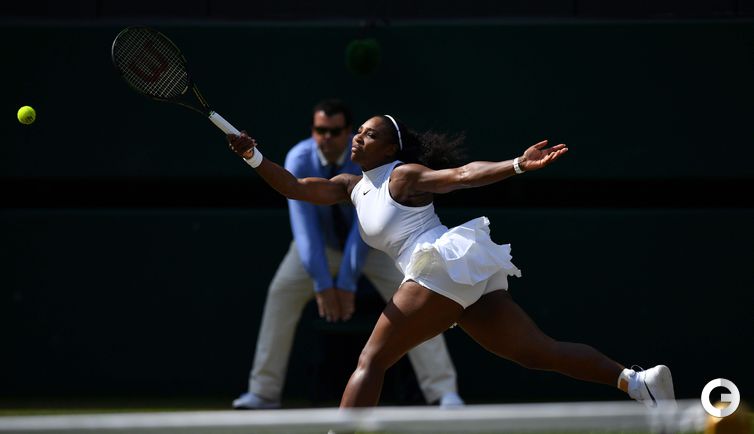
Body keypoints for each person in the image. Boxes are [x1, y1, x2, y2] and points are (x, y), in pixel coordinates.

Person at [227, 114, 675, 409]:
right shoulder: (350, 185)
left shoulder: (404, 176)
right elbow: (294, 187)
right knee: (537, 352)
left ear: (390, 149)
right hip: (455, 273)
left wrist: (517, 164)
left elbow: (460, 176)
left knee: (371, 360)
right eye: (358, 131)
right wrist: (252, 155)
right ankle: (638, 383)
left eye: (370, 134)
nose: (358, 137)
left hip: (437, 265)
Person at [232, 100, 464, 410]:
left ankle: (444, 392)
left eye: (335, 131)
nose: (326, 137)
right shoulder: (300, 157)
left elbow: (365, 230)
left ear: (347, 132)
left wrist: (345, 282)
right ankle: (263, 392)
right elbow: (304, 223)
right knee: (281, 293)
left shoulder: (367, 159)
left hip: (376, 246)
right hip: (318, 249)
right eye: (320, 130)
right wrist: (322, 283)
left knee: (421, 297)